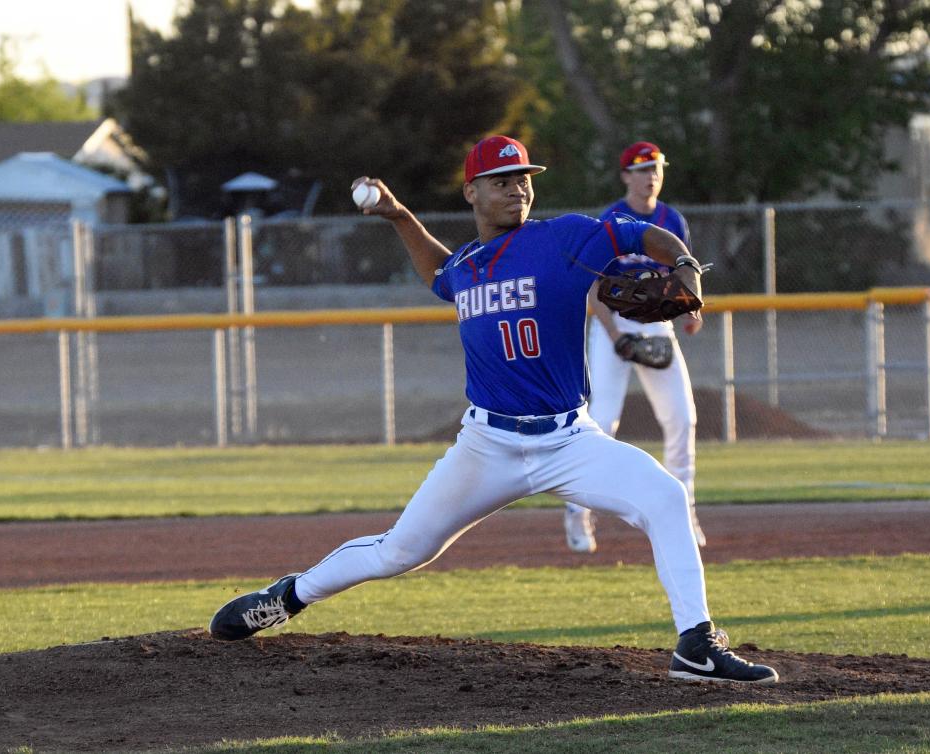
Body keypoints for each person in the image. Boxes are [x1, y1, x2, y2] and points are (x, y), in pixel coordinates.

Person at [209, 135, 778, 684]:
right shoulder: (468, 266)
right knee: (400, 551)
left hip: (568, 441)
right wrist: (399, 215)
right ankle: (286, 597)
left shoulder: (565, 238)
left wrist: (687, 268)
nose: (517, 190)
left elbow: (648, 235)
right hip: (486, 447)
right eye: (501, 181)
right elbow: (436, 271)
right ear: (471, 193)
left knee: (665, 496)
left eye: (523, 180)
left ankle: (696, 645)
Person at [563, 141, 705, 554]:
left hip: (658, 324)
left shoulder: (670, 219)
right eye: (642, 169)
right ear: (626, 175)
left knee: (681, 418)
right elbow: (591, 285)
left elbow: (686, 270)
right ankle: (577, 513)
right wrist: (617, 337)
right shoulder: (611, 219)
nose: (651, 176)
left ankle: (686, 512)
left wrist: (692, 310)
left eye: (656, 167)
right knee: (602, 423)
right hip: (613, 322)